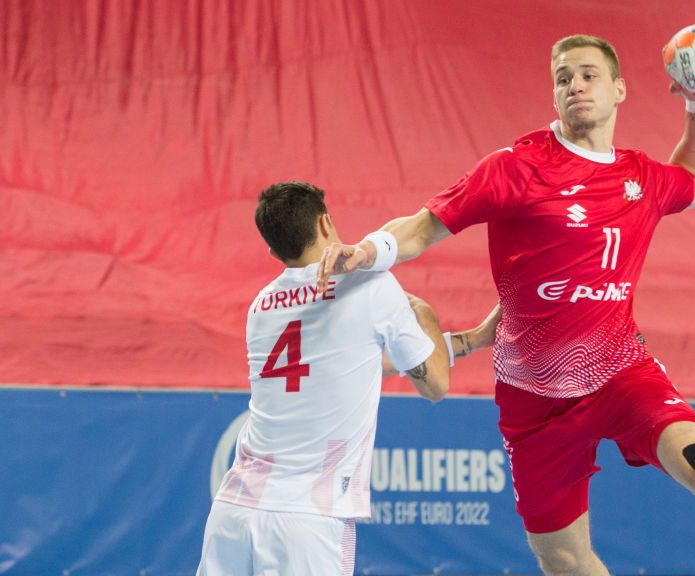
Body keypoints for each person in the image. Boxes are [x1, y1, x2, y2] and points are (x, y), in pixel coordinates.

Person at [317, 34, 695, 575]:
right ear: (554, 95)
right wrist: (369, 250)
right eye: (563, 78)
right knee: (563, 559)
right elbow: (422, 226)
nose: (574, 85)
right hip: (531, 397)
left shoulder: (638, 177)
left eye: (587, 74)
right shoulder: (515, 168)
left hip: (621, 371)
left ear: (619, 89)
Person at [197, 182, 498, 575]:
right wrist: (419, 308)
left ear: (273, 251)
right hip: (308, 519)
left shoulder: (261, 307)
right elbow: (435, 384)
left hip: (233, 512)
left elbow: (356, 362)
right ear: (326, 223)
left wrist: (473, 340)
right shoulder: (372, 286)